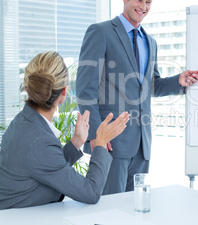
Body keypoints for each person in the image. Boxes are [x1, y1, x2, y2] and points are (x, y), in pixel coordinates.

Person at [76, 0, 198, 195]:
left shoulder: (150, 42)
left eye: (148, 2)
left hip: (142, 144)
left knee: (133, 208)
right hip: (110, 141)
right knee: (108, 209)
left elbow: (149, 87)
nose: (143, 7)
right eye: (138, 0)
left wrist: (178, 81)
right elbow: (86, 89)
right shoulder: (101, 32)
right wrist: (97, 135)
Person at [0, 52, 130, 209]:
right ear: (64, 92)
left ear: (28, 89)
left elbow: (47, 167)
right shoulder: (39, 141)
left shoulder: (22, 122)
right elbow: (91, 192)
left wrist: (75, 143)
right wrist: (101, 142)